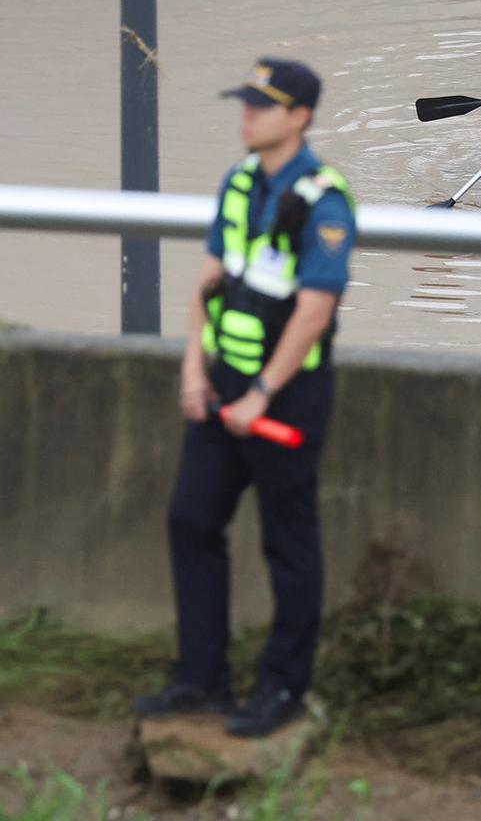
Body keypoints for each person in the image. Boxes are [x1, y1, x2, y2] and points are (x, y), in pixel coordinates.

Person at [133, 58, 356, 739]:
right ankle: (201, 680)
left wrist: (262, 394)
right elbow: (208, 283)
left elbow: (315, 311)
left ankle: (282, 689)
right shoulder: (238, 184)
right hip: (223, 384)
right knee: (191, 521)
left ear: (300, 118)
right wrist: (193, 370)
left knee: (288, 544)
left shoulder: (324, 199)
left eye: (263, 106)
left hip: (286, 400)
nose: (247, 115)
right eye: (247, 103)